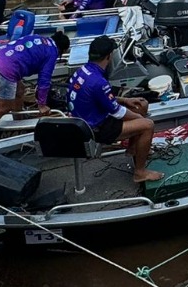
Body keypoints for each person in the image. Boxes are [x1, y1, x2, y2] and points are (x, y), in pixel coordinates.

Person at [67, 35, 162, 183]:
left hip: (87, 119)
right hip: (97, 128)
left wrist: (125, 100)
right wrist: (140, 119)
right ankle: (140, 172)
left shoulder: (83, 71)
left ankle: (133, 149)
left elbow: (98, 97)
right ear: (109, 56)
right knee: (148, 125)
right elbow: (117, 112)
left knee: (140, 105)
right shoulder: (99, 81)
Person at [0, 31, 71, 148]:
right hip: (4, 70)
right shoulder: (52, 52)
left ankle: (18, 120)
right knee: (4, 107)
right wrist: (42, 105)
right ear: (62, 50)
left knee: (20, 89)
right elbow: (44, 81)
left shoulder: (39, 38)